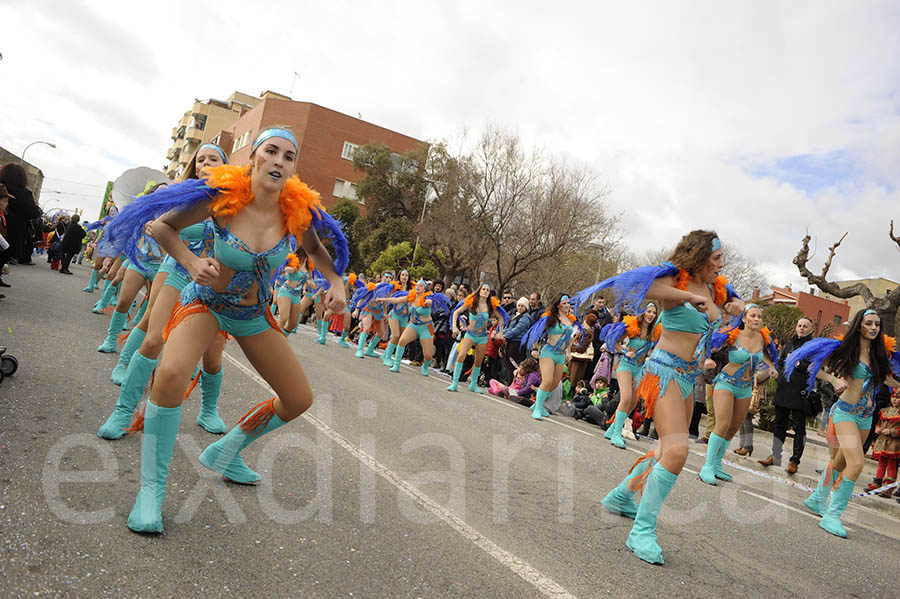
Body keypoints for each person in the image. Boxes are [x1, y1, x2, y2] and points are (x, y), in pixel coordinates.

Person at [104, 127, 348, 533]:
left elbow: (317, 252)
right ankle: (150, 492)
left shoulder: (295, 213)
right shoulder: (223, 199)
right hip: (207, 304)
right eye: (271, 152)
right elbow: (163, 227)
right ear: (253, 157)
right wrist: (190, 262)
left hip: (253, 315)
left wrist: (336, 284)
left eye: (288, 157)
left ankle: (227, 449)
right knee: (169, 374)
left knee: (298, 398)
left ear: (292, 168)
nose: (279, 161)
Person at [580, 230, 741, 564]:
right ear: (698, 257)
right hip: (662, 372)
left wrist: (735, 304)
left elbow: (730, 302)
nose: (721, 264)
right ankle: (642, 530)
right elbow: (644, 288)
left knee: (666, 448)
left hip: (687, 376)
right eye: (716, 258)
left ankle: (622, 495)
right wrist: (683, 297)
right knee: (679, 451)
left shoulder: (713, 288)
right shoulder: (675, 280)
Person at [98, 144, 230, 438]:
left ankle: (208, 410)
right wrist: (150, 225)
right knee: (154, 336)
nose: (205, 164)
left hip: (216, 285)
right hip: (178, 271)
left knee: (212, 355)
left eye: (213, 159)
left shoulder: (236, 200)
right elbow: (158, 222)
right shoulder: (183, 194)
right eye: (200, 160)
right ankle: (122, 412)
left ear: (226, 165)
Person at [786, 309, 900, 537]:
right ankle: (832, 515)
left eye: (877, 324)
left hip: (865, 416)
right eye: (869, 323)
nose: (874, 328)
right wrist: (833, 378)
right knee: (856, 464)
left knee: (839, 462)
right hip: (845, 413)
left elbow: (888, 379)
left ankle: (817, 498)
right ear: (859, 325)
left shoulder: (880, 355)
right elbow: (810, 366)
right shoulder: (844, 349)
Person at [697, 304, 778, 485]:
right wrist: (708, 358)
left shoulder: (762, 338)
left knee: (733, 427)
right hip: (726, 382)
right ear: (744, 318)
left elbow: (765, 354)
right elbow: (708, 341)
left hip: (745, 387)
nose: (756, 319)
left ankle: (717, 464)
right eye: (753, 316)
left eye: (759, 316)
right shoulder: (732, 335)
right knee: (723, 424)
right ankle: (707, 466)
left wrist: (771, 367)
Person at [758, 317, 816, 473]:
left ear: (810, 330)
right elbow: (783, 361)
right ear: (796, 327)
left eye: (805, 326)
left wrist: (799, 364)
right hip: (784, 387)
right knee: (779, 425)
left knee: (799, 428)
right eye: (800, 325)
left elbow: (814, 366)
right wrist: (777, 373)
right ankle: (775, 456)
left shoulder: (812, 346)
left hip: (799, 390)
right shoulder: (789, 343)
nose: (802, 328)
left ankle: (794, 461)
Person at [603, 303, 659, 449]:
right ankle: (616, 434)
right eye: (649, 311)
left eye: (653, 312)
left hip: (639, 369)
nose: (651, 314)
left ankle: (612, 428)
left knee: (633, 402)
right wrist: (623, 351)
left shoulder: (654, 332)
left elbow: (653, 350)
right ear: (643, 312)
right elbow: (614, 341)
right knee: (626, 398)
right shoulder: (633, 326)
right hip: (625, 365)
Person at [521, 294, 581, 419]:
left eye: (568, 303)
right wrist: (534, 348)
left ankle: (538, 405)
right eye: (564, 303)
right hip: (548, 352)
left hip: (560, 355)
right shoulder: (550, 317)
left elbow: (570, 340)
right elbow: (536, 332)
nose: (567, 305)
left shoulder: (570, 320)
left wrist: (568, 352)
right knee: (547, 381)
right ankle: (537, 408)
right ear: (558, 304)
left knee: (554, 384)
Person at [447, 285, 507, 393]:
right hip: (470, 334)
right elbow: (456, 312)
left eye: (488, 290)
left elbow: (501, 318)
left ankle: (473, 384)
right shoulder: (471, 302)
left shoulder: (490, 306)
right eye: (483, 289)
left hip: (482, 336)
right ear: (479, 291)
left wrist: (500, 332)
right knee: (461, 355)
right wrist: (454, 327)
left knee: (478, 361)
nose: (485, 291)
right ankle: (454, 383)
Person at [0, 163, 40, 265]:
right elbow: (33, 213)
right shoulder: (24, 193)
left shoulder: (2, 188)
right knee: (6, 255)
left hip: (4, 226)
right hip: (15, 231)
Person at [868, 390, 900, 497]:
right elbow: (879, 422)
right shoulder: (885, 410)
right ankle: (877, 482)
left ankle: (888, 487)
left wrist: (891, 431)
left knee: (891, 465)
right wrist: (878, 428)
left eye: (898, 397)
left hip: (893, 443)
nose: (895, 399)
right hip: (882, 441)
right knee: (881, 463)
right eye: (893, 397)